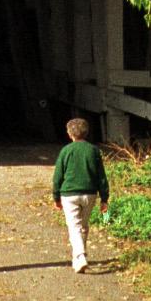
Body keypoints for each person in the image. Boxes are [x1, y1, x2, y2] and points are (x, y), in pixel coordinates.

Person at [52, 117, 109, 273]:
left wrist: (56, 197)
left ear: (70, 134)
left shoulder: (66, 151)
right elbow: (101, 176)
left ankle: (81, 255)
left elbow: (58, 176)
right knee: (83, 226)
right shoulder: (94, 150)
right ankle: (78, 259)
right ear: (86, 132)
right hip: (90, 194)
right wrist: (104, 199)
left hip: (69, 194)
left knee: (74, 226)